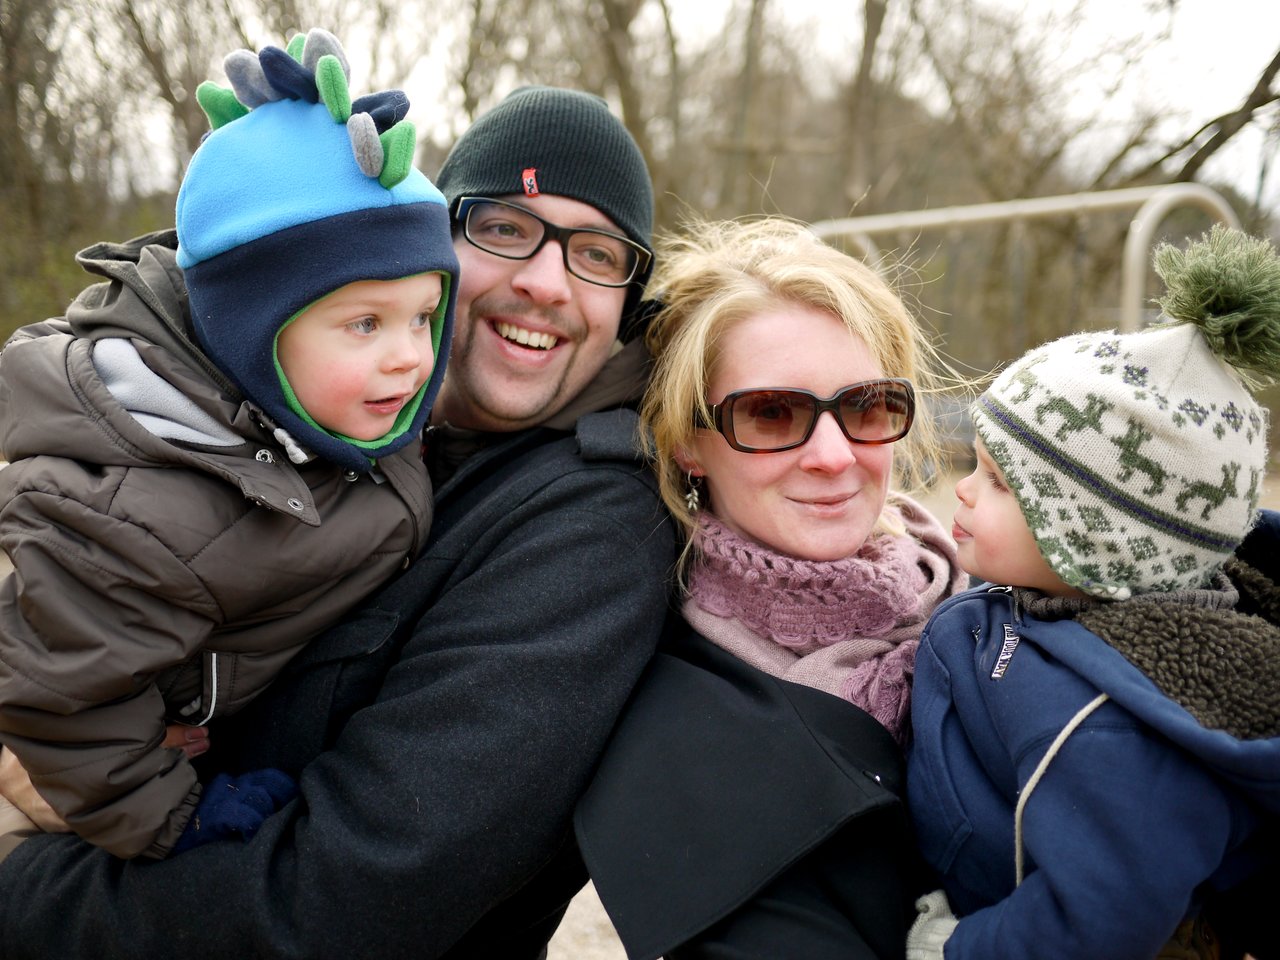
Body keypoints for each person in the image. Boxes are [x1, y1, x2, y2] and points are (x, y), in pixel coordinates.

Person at [0, 68, 674, 960]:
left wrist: (24, 882)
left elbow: (345, 899)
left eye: (599, 255)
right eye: (505, 228)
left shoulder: (590, 527)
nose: (548, 281)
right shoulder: (299, 424)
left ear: (627, 305)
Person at [0, 28, 457, 862]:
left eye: (424, 316)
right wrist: (171, 814)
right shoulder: (141, 517)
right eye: (364, 322)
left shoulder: (344, 404)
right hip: (72, 778)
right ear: (253, 333)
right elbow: (61, 695)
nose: (409, 357)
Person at [576, 218, 967, 959]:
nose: (834, 456)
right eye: (770, 413)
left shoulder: (984, 595)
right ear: (687, 443)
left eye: (867, 405)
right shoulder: (666, 736)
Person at [904, 224, 1280, 960]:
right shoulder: (1045, 596)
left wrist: (955, 948)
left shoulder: (1115, 723)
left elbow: (1098, 921)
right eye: (974, 465)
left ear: (1096, 542)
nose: (964, 491)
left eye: (1000, 482)